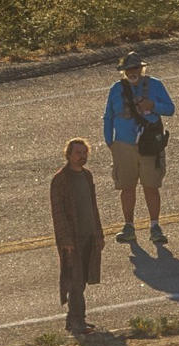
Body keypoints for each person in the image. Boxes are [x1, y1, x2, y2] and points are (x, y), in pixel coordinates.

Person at [103, 51, 175, 244]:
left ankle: (155, 226)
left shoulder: (156, 85)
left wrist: (153, 105)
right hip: (123, 146)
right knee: (127, 188)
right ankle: (129, 226)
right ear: (123, 72)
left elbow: (170, 109)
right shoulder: (116, 89)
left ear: (142, 69)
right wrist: (109, 141)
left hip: (150, 144)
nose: (132, 72)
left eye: (135, 68)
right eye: (128, 69)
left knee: (151, 186)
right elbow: (108, 116)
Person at [50, 138, 105, 335]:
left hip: (89, 234)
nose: (82, 156)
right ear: (69, 155)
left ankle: (73, 319)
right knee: (74, 280)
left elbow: (93, 206)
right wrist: (65, 241)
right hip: (72, 239)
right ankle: (77, 321)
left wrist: (99, 233)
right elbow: (58, 213)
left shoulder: (87, 176)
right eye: (78, 153)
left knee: (81, 281)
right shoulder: (60, 180)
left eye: (84, 153)